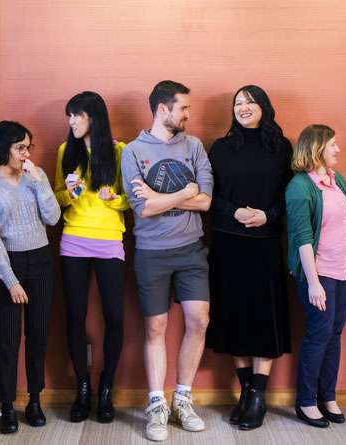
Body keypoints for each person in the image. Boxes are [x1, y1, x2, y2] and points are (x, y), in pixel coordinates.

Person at [122, 80, 214, 442]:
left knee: (199, 319)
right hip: (150, 251)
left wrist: (162, 196)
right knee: (155, 327)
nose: (189, 115)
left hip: (192, 248)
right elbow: (143, 210)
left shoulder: (194, 146)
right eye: (184, 108)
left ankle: (183, 399)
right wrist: (183, 191)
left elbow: (205, 202)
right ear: (163, 109)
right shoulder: (132, 151)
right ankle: (157, 404)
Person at [206, 85, 294, 431]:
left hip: (265, 243)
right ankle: (244, 390)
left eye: (250, 102)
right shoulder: (222, 147)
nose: (243, 107)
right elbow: (208, 194)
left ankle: (259, 396)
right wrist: (235, 212)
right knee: (234, 318)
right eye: (238, 103)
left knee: (263, 319)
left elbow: (290, 194)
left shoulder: (280, 147)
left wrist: (267, 217)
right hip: (228, 242)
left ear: (264, 108)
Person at [0, 121, 59, 434]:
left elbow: (52, 217)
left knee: (38, 335)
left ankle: (34, 400)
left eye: (28, 147)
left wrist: (40, 181)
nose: (25, 153)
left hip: (41, 260)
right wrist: (10, 280)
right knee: (7, 340)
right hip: (7, 266)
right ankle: (7, 404)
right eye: (20, 147)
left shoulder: (37, 176)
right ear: (3, 147)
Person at [55, 91, 129, 424]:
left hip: (109, 240)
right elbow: (56, 199)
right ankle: (83, 386)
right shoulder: (64, 151)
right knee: (76, 317)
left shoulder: (119, 151)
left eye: (77, 115)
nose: (71, 122)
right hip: (73, 240)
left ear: (93, 118)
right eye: (69, 115)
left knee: (115, 318)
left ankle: (106, 387)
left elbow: (130, 201)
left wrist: (113, 199)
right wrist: (68, 194)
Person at [284, 124, 346, 429]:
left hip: (342, 269)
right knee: (319, 334)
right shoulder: (300, 187)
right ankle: (306, 401)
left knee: (335, 334)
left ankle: (327, 396)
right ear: (316, 148)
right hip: (318, 273)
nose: (337, 150)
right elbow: (302, 237)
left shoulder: (337, 179)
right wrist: (314, 281)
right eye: (332, 145)